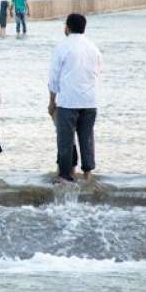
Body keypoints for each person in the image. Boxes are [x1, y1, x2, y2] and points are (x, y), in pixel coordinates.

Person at [48, 13, 102, 183]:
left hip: (68, 101)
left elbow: (54, 78)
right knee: (87, 138)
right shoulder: (93, 48)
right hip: (90, 101)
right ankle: (87, 175)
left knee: (65, 139)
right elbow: (98, 72)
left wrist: (51, 102)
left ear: (68, 27)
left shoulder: (62, 47)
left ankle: (66, 175)